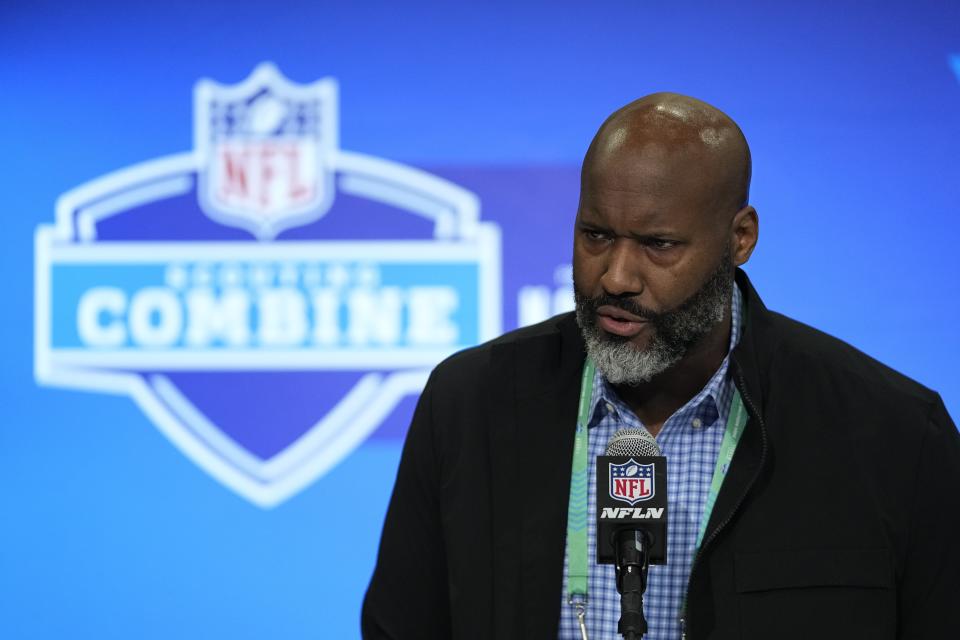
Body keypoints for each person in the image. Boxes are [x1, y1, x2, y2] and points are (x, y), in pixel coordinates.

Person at [361, 93, 960, 639]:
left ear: (740, 238)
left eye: (658, 245)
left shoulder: (897, 435)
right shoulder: (469, 403)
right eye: (595, 235)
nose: (616, 277)